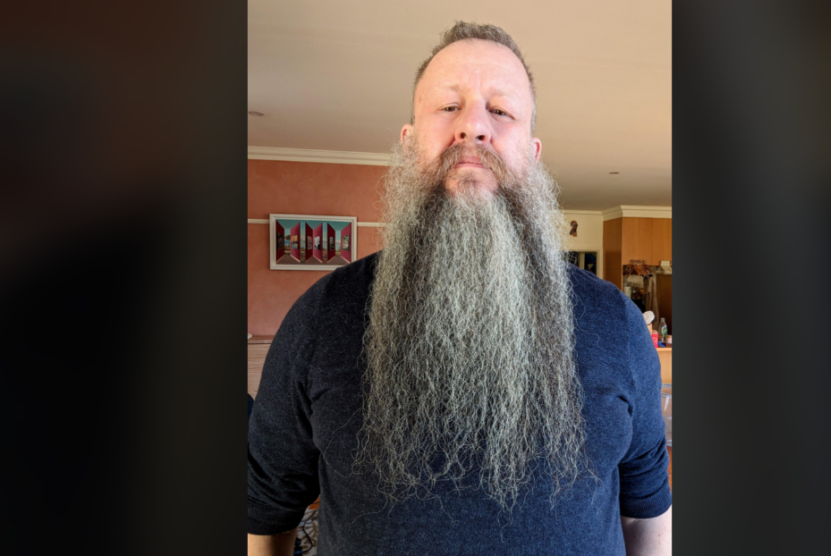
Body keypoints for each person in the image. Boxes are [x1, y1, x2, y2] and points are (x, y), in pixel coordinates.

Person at [248, 21, 671, 555]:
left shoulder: (615, 320)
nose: (473, 127)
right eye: (448, 107)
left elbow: (646, 510)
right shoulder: (321, 316)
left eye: (501, 110)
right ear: (408, 144)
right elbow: (267, 508)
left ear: (533, 153)